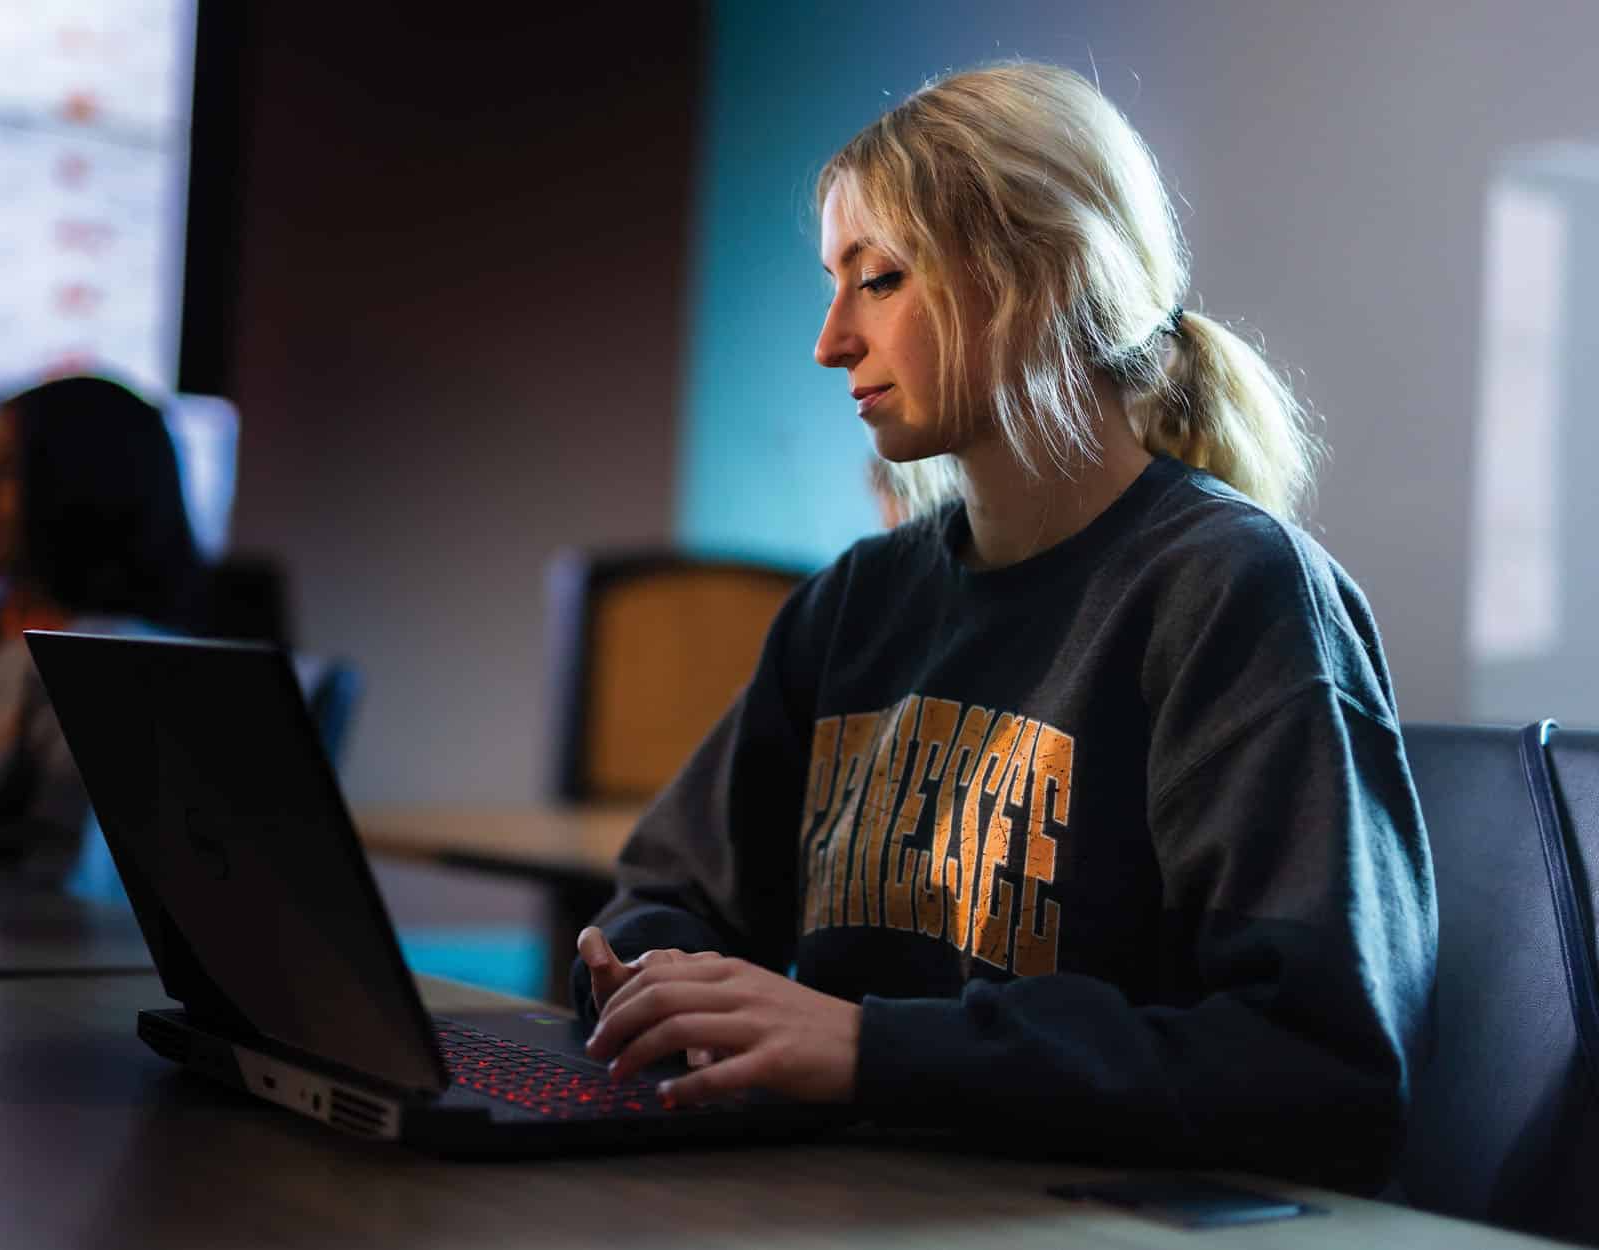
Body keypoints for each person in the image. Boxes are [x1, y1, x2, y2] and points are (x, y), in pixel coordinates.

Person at [572, 61, 1435, 1191]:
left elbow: (1318, 1070)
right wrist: (651, 977)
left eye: (877, 278)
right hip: (850, 1196)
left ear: (1039, 275)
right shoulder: (854, 602)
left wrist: (869, 1049)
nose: (831, 341)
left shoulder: (1231, 590)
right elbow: (671, 892)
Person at [0, 374, 203, 884]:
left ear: (80, 489)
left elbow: (62, 884)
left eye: (4, 474)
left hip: (21, 949)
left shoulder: (111, 671)